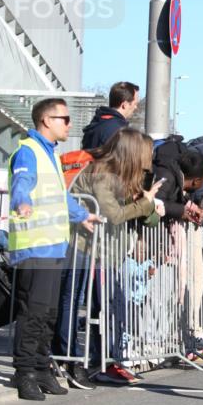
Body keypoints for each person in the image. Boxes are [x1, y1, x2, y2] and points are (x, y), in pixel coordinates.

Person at [8, 98, 100, 401]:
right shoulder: (28, 152)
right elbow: (23, 182)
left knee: (48, 313)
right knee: (33, 313)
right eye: (65, 118)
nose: (69, 124)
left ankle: (42, 367)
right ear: (47, 120)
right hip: (34, 246)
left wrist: (82, 215)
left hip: (54, 246)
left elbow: (60, 198)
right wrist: (21, 200)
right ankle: (25, 373)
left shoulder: (50, 154)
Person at [59, 129, 164, 387]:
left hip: (105, 252)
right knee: (75, 305)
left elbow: (138, 215)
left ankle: (101, 360)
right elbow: (114, 214)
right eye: (144, 154)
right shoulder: (102, 174)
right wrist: (146, 202)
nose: (148, 160)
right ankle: (70, 360)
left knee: (103, 308)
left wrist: (148, 205)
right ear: (131, 153)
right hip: (86, 249)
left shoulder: (122, 177)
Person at [81, 82, 140, 150]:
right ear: (125, 104)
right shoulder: (117, 130)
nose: (136, 107)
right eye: (135, 104)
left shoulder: (98, 122)